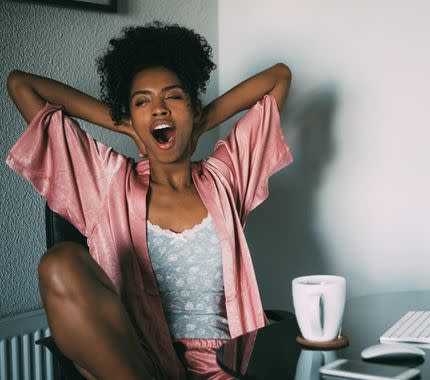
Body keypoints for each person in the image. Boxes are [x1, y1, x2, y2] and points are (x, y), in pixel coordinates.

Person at [5, 21, 292, 379]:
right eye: (143, 102)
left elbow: (278, 77)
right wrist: (121, 124)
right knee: (60, 262)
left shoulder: (226, 178)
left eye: (173, 97)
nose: (158, 109)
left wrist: (201, 123)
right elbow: (22, 84)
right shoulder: (107, 182)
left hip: (224, 365)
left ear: (193, 108)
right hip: (135, 361)